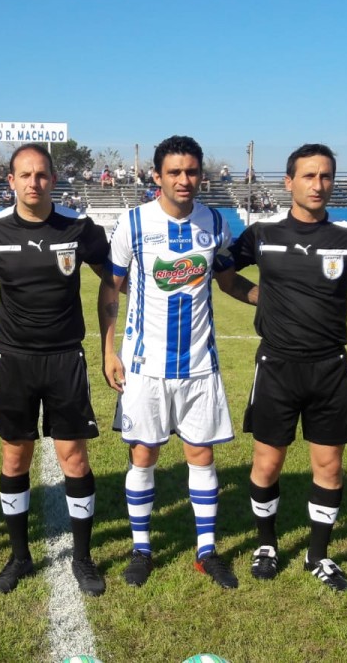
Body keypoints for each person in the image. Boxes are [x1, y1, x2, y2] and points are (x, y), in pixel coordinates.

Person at [229, 143, 347, 593]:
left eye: (325, 176)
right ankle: (266, 545)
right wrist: (258, 296)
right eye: (308, 176)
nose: (318, 185)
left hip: (329, 368)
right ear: (288, 182)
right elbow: (222, 271)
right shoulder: (261, 233)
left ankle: (318, 555)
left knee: (329, 465)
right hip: (276, 366)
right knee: (267, 464)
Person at [99, 135, 258, 590]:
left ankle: (206, 551)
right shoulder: (132, 224)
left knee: (201, 455)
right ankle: (142, 548)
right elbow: (110, 290)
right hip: (145, 366)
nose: (184, 179)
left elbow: (227, 281)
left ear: (200, 175)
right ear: (157, 177)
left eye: (191, 172)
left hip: (199, 364)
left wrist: (270, 299)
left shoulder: (214, 222)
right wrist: (108, 351)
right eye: (174, 172)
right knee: (144, 455)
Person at [0, 143, 111, 597]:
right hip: (14, 359)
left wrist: (112, 343)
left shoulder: (79, 230)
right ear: (10, 181)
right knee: (16, 456)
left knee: (74, 456)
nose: (34, 182)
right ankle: (19, 555)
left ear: (54, 179)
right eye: (24, 175)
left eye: (42, 175)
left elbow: (114, 278)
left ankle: (84, 557)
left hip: (65, 358)